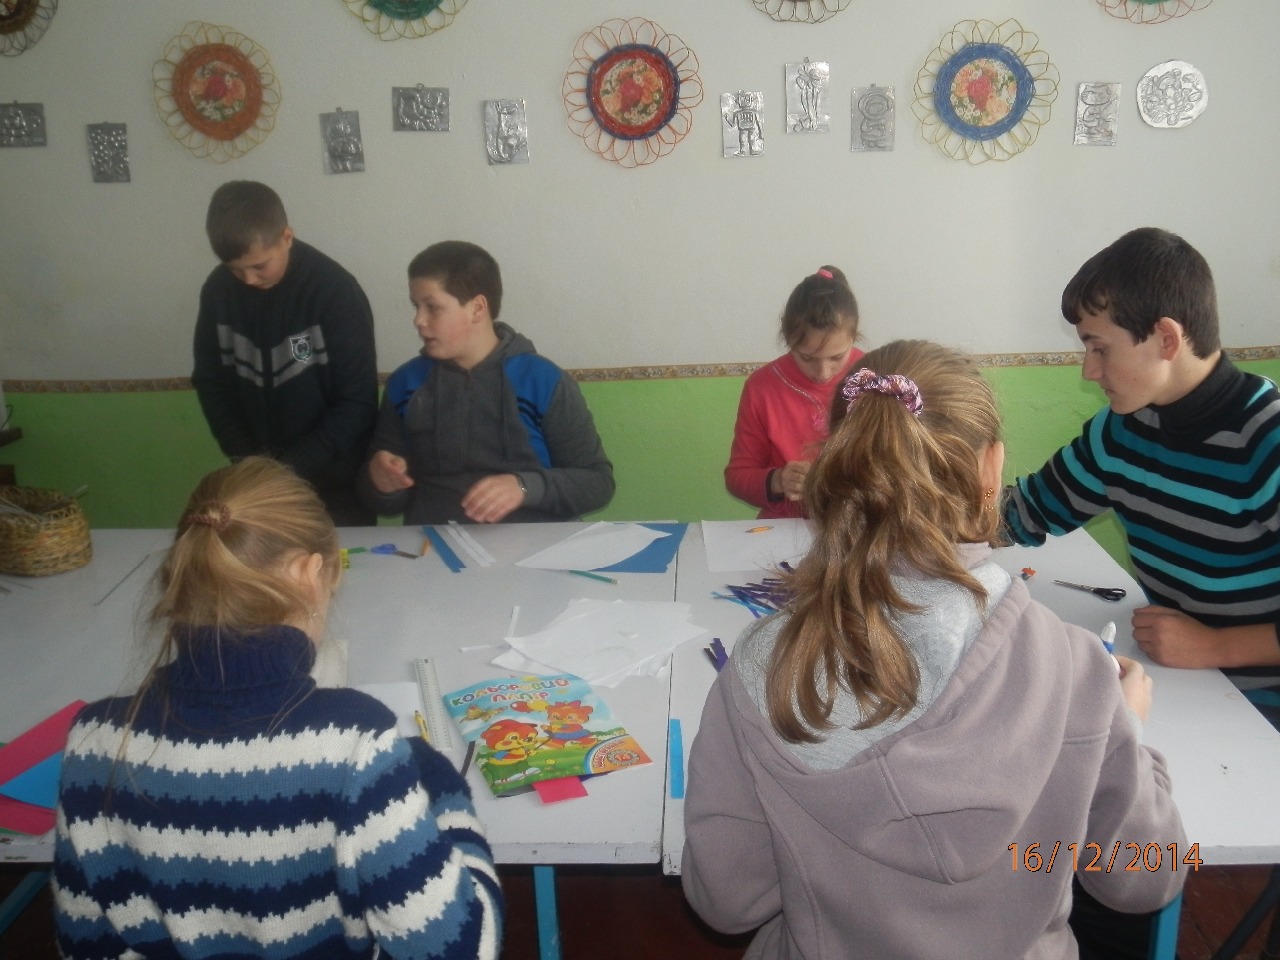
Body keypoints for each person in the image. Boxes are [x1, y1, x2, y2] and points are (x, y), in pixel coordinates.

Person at [683, 340, 1185, 960]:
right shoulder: (1077, 671)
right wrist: (1130, 737)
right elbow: (1148, 875)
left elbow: (728, 901)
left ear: (841, 467)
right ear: (992, 470)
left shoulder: (764, 666)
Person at [53, 457, 503, 960]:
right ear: (309, 572)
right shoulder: (357, 744)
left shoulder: (91, 740)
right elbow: (463, 949)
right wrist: (444, 793)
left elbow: (85, 944)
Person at [1002, 227, 1280, 673]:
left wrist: (1216, 647)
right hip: (1182, 675)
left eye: (1100, 349)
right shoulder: (1122, 429)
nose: (1089, 371)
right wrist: (911, 514)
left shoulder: (1266, 439)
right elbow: (1027, 511)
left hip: (1255, 697)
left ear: (1166, 339)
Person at [359, 240, 614, 524]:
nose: (418, 320)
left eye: (432, 307)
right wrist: (382, 484)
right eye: (416, 306)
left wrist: (524, 487)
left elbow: (598, 483)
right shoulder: (404, 384)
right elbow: (382, 500)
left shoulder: (543, 381)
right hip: (436, 544)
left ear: (477, 309)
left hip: (537, 544)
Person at [192, 180, 379, 527]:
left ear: (286, 237)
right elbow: (211, 384)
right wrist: (251, 465)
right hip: (260, 488)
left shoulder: (336, 292)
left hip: (339, 490)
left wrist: (287, 471)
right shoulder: (218, 292)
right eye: (235, 269)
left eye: (260, 266)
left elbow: (357, 402)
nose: (248, 280)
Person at [724, 266, 863, 519]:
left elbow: (903, 468)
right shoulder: (762, 387)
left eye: (836, 357)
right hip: (784, 527)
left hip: (858, 525)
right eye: (807, 358)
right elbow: (737, 477)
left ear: (854, 337)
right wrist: (778, 481)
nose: (823, 372)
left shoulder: (874, 377)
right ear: (788, 340)